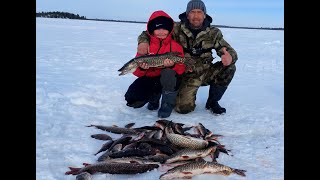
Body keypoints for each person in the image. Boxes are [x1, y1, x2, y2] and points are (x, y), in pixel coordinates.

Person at [137, 0, 238, 115]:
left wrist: (230, 57)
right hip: (185, 74)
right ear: (187, 14)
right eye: (192, 12)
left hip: (205, 72)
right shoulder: (176, 28)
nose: (196, 16)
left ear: (204, 15)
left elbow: (228, 51)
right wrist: (143, 42)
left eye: (199, 12)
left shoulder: (213, 33)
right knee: (182, 109)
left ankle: (212, 102)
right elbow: (151, 32)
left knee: (229, 68)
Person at [124, 10, 186, 118]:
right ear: (152, 29)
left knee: (168, 74)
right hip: (152, 79)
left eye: (164, 28)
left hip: (168, 80)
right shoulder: (145, 46)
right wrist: (142, 69)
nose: (161, 32)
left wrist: (172, 65)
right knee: (132, 98)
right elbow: (138, 74)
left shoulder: (175, 46)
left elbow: (181, 69)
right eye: (158, 28)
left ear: (170, 29)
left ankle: (166, 107)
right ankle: (154, 98)